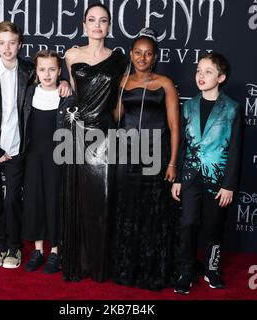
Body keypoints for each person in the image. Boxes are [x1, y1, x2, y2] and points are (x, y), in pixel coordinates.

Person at [0, 21, 71, 269]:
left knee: (13, 198)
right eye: (2, 43)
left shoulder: (29, 72)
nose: (7, 48)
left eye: (12, 42)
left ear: (20, 44)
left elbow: (50, 79)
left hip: (17, 148)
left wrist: (65, 81)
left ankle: (14, 247)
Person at [62, 2, 127, 282]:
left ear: (109, 26)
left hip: (105, 134)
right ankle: (80, 262)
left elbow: (119, 104)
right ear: (84, 24)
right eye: (92, 19)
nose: (97, 25)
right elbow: (75, 92)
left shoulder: (120, 61)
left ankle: (100, 264)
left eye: (103, 20)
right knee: (77, 198)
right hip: (77, 132)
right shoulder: (71, 55)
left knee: (102, 199)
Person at [112, 28, 180, 290]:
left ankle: (151, 270)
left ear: (155, 57)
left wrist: (173, 163)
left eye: (147, 54)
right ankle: (126, 268)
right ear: (131, 55)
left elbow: (174, 127)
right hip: (126, 155)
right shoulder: (123, 82)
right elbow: (116, 118)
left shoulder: (164, 83)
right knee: (128, 210)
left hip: (156, 155)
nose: (142, 57)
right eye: (138, 52)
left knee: (153, 213)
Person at [171, 52, 243, 294]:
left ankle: (212, 269)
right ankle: (185, 270)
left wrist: (229, 185)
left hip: (218, 180)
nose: (201, 76)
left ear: (221, 77)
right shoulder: (188, 106)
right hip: (191, 177)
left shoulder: (232, 109)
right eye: (198, 70)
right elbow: (183, 145)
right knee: (188, 223)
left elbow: (235, 150)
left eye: (208, 71)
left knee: (214, 227)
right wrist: (179, 178)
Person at [21, 50, 72, 273]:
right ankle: (38, 249)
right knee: (35, 201)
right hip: (33, 156)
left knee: (54, 201)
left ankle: (55, 251)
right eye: (42, 69)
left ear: (59, 71)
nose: (47, 74)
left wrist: (67, 83)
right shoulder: (30, 92)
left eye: (52, 69)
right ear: (36, 71)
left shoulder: (66, 95)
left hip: (57, 157)